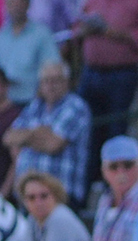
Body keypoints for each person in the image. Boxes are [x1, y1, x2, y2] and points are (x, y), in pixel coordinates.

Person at [76, 0, 138, 161]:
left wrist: (119, 34)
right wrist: (84, 30)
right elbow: (76, 26)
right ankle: (93, 179)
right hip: (91, 72)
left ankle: (116, 173)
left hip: (122, 74)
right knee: (88, 129)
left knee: (117, 127)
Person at [6, 62, 89, 206]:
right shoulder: (35, 106)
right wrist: (40, 133)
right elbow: (9, 137)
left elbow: (53, 144)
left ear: (67, 82)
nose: (50, 85)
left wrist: (25, 138)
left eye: (56, 80)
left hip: (60, 195)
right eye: (46, 80)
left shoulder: (75, 107)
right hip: (28, 195)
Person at [0, 0, 60, 106]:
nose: (16, 6)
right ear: (6, 5)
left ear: (28, 4)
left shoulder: (41, 34)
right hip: (4, 103)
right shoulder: (2, 35)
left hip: (30, 103)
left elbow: (53, 69)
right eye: (12, 2)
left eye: (20, 1)